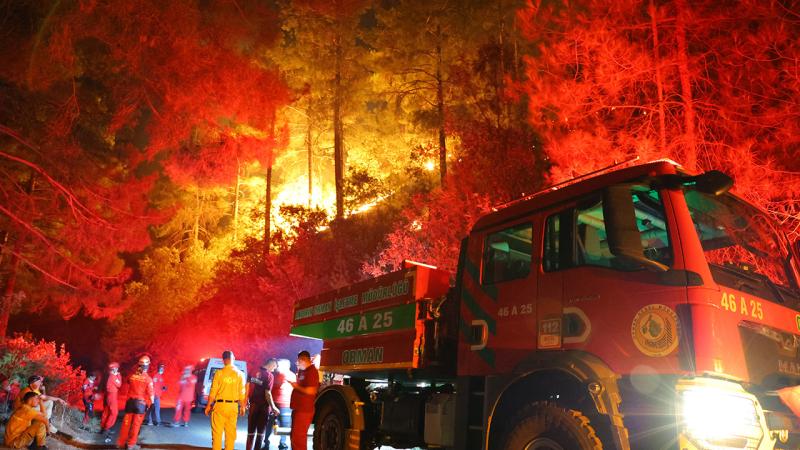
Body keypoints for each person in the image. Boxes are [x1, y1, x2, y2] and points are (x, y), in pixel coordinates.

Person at [204, 350, 246, 450]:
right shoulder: (240, 374)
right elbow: (242, 393)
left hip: (220, 406)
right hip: (233, 407)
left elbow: (213, 391)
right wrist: (243, 406)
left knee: (217, 434)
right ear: (233, 359)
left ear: (223, 360)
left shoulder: (219, 373)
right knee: (230, 435)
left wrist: (208, 405)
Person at [117, 355, 154, 450]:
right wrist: (151, 404)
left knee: (126, 423)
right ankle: (130, 444)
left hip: (129, 403)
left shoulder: (132, 376)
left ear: (139, 365)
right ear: (148, 366)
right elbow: (151, 395)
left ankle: (121, 442)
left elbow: (129, 382)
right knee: (136, 425)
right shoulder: (148, 379)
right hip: (140, 405)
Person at [289, 351, 319, 450]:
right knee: (294, 437)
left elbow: (311, 390)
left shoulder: (312, 371)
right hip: (297, 408)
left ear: (305, 359)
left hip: (304, 410)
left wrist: (296, 386)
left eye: (299, 360)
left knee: (299, 438)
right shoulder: (303, 370)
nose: (298, 362)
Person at [246, 359, 279, 450]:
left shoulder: (253, 371)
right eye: (275, 367)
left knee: (250, 432)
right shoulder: (269, 375)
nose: (274, 369)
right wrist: (273, 407)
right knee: (260, 433)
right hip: (263, 408)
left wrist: (245, 400)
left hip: (253, 405)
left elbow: (247, 386)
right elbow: (267, 393)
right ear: (271, 364)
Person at [271, 358, 295, 450]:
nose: (277, 366)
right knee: (276, 424)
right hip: (277, 404)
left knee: (284, 425)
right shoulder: (278, 375)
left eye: (279, 365)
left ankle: (282, 443)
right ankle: (279, 443)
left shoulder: (284, 375)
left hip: (284, 405)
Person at [100, 362, 122, 441]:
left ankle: (103, 427)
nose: (117, 370)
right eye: (117, 368)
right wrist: (118, 375)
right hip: (112, 396)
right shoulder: (113, 377)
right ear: (115, 369)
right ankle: (107, 428)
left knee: (106, 411)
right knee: (114, 413)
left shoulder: (108, 375)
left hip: (108, 395)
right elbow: (119, 384)